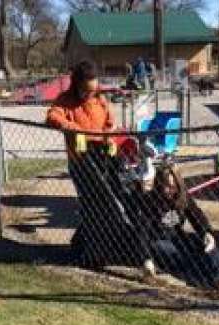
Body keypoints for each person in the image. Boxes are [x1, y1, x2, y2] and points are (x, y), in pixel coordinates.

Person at [46, 60, 154, 274]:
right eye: (86, 90)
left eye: (93, 90)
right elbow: (52, 116)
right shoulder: (65, 100)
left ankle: (84, 246)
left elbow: (109, 122)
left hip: (105, 155)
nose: (90, 94)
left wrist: (109, 138)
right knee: (94, 204)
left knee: (115, 201)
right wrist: (74, 130)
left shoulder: (100, 99)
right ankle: (92, 252)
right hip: (82, 159)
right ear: (76, 84)